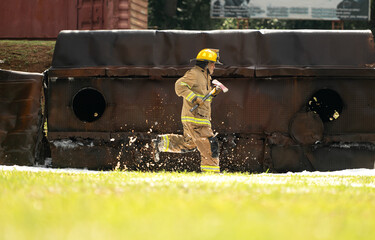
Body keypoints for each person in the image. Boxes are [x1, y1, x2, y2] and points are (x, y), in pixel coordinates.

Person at [151, 48, 223, 173]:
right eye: (213, 64)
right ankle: (211, 174)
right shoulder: (195, 73)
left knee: (189, 143)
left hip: (199, 117)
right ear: (206, 64)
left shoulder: (205, 77)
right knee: (209, 144)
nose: (214, 67)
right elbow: (179, 86)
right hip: (195, 119)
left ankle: (161, 143)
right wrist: (194, 98)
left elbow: (203, 99)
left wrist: (213, 93)